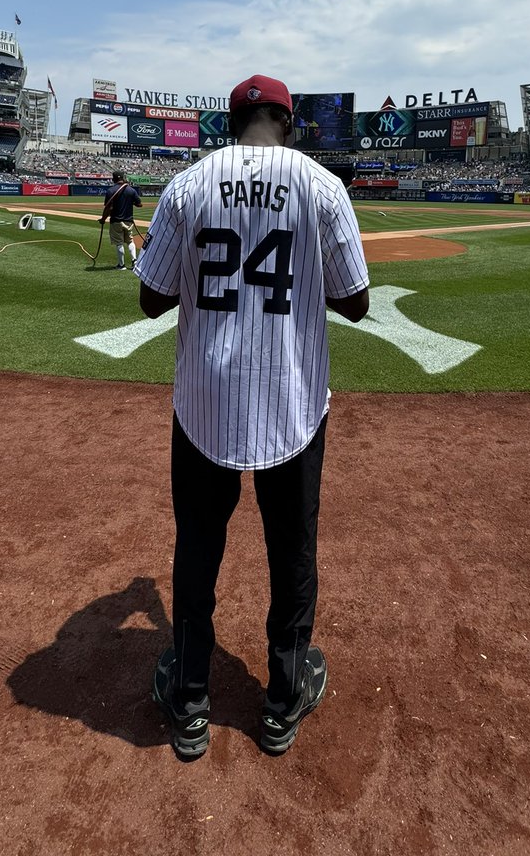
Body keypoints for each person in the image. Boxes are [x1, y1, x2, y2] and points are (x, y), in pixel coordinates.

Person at [136, 74, 369, 759]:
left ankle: (191, 701)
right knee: (291, 546)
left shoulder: (189, 184)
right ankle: (282, 697)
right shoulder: (321, 186)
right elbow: (355, 301)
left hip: (204, 401)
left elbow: (151, 301)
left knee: (199, 547)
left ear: (229, 125)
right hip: (291, 401)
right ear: (285, 121)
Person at [99, 171, 143, 270]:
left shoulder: (110, 191)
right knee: (130, 241)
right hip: (129, 221)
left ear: (113, 179)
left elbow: (108, 208)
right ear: (123, 178)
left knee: (119, 243)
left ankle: (121, 265)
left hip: (116, 221)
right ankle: (134, 261)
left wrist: (103, 219)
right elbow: (139, 204)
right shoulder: (131, 190)